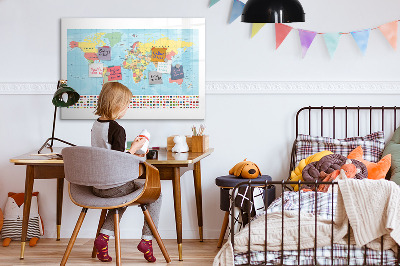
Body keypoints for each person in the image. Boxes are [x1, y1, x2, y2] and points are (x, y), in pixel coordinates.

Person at [91, 82, 161, 263]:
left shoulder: (96, 125)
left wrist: (131, 149)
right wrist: (136, 148)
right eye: (127, 104)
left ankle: (103, 238)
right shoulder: (117, 129)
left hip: (97, 186)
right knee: (156, 194)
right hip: (114, 186)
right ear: (117, 104)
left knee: (121, 197)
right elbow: (119, 161)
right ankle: (147, 240)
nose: (128, 108)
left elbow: (108, 154)